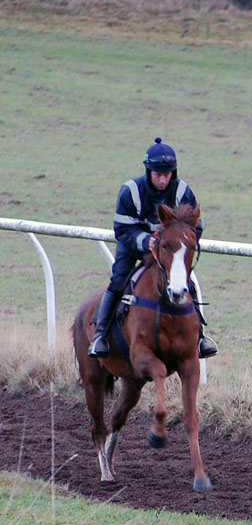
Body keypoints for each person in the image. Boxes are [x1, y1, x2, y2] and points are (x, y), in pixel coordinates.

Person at [88, 137, 217, 359]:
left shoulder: (183, 191)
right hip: (134, 247)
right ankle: (100, 335)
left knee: (188, 283)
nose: (162, 179)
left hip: (169, 251)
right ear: (148, 171)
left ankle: (201, 337)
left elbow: (197, 227)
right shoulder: (131, 191)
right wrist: (145, 241)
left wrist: (180, 242)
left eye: (167, 174)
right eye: (158, 174)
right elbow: (121, 229)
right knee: (119, 280)